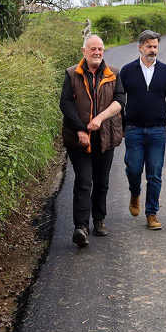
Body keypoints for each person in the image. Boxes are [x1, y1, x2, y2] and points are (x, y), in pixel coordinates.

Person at [59, 35, 125, 247]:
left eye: (100, 49)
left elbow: (120, 101)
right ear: (84, 51)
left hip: (105, 136)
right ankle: (81, 227)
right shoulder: (72, 74)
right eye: (93, 49)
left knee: (102, 181)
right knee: (84, 180)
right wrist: (80, 129)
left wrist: (99, 118)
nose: (97, 52)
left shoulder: (113, 73)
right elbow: (66, 103)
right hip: (79, 139)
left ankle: (99, 220)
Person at [120, 30, 166, 230]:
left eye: (155, 46)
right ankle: (135, 192)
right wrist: (122, 127)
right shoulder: (127, 71)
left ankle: (152, 213)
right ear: (140, 47)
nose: (153, 50)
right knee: (134, 169)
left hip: (157, 131)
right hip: (134, 130)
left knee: (154, 174)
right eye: (149, 46)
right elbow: (119, 101)